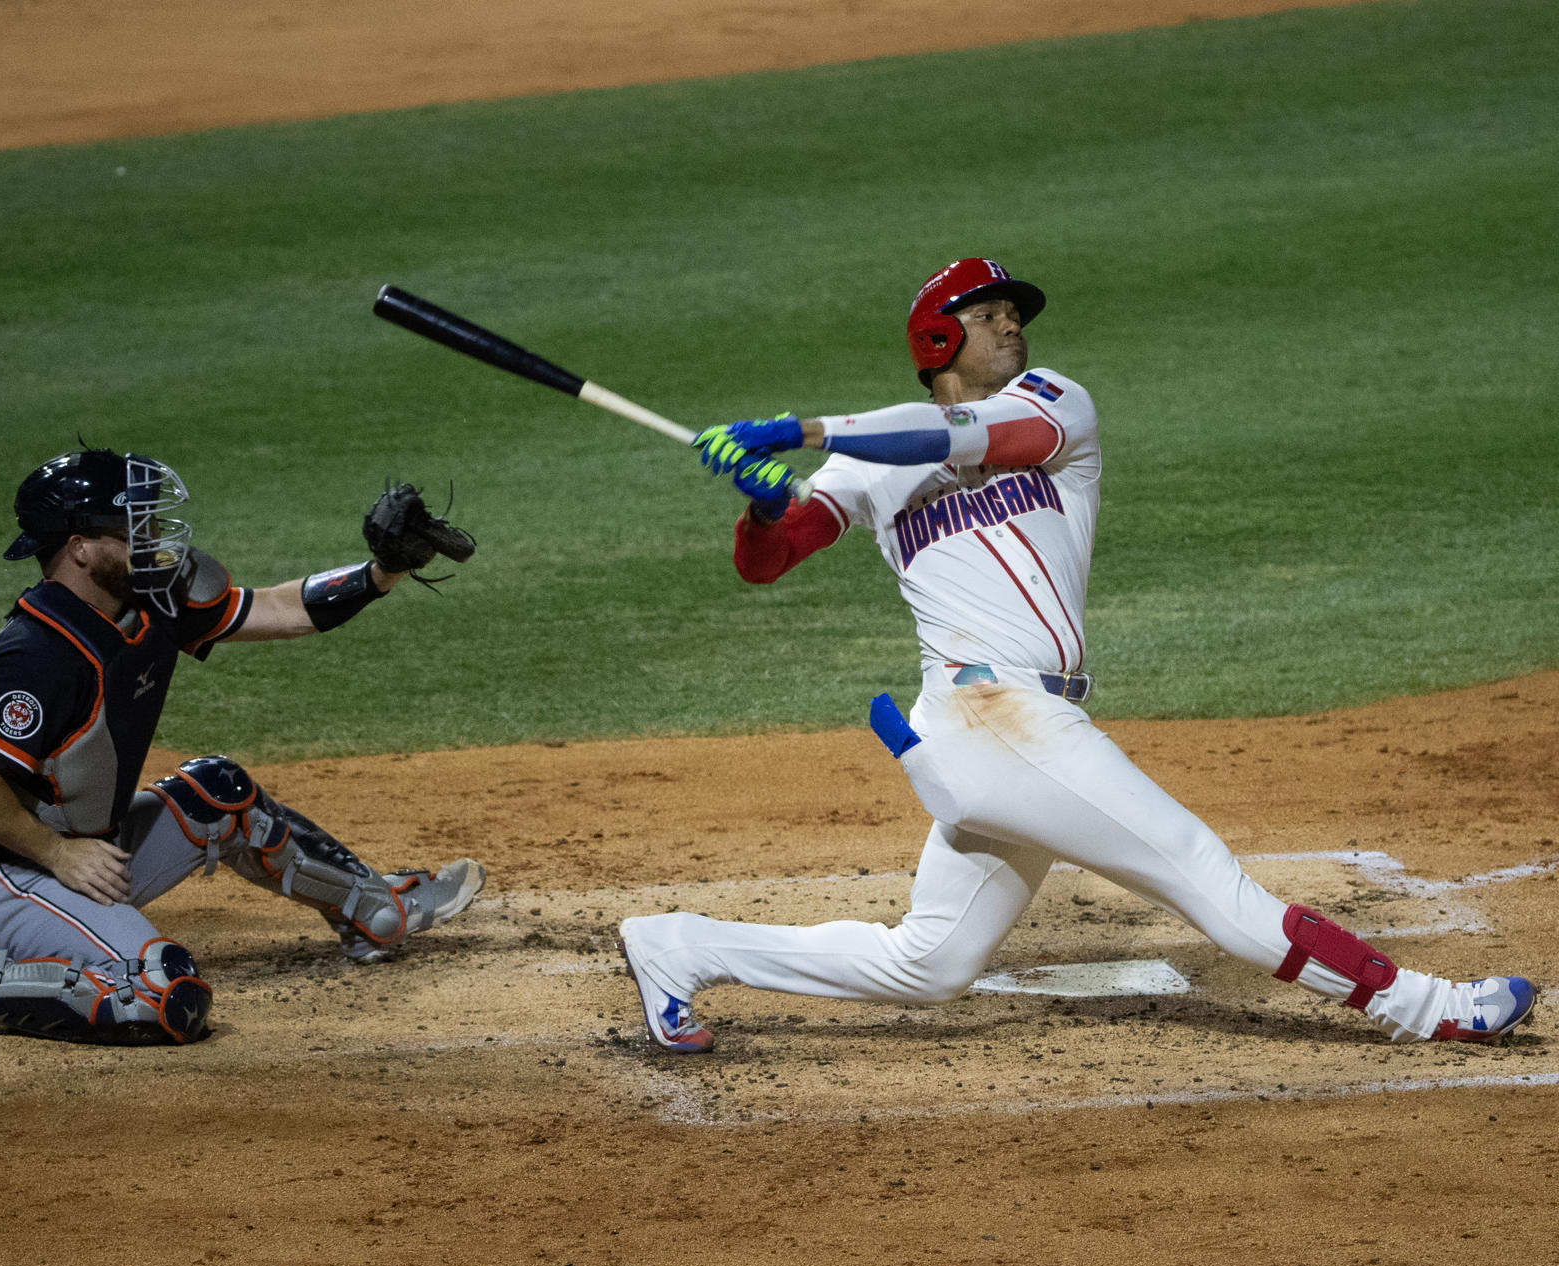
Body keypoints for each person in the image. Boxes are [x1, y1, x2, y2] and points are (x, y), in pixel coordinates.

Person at [617, 257, 1536, 1053]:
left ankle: (681, 946)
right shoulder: (868, 468)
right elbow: (766, 564)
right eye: (986, 315)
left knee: (932, 961)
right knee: (1201, 872)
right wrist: (763, 504)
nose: (1011, 323)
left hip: (1018, 726)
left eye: (1013, 312)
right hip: (989, 719)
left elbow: (966, 437)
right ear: (938, 341)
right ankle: (1433, 1007)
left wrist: (804, 430)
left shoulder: (1055, 406)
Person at [0, 453, 484, 1045]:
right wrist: (56, 854)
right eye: (134, 525)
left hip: (93, 854)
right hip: (6, 872)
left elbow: (277, 608)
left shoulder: (154, 599)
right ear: (80, 548)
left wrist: (382, 573)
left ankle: (374, 911)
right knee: (164, 998)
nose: (154, 535)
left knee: (222, 794)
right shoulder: (37, 651)